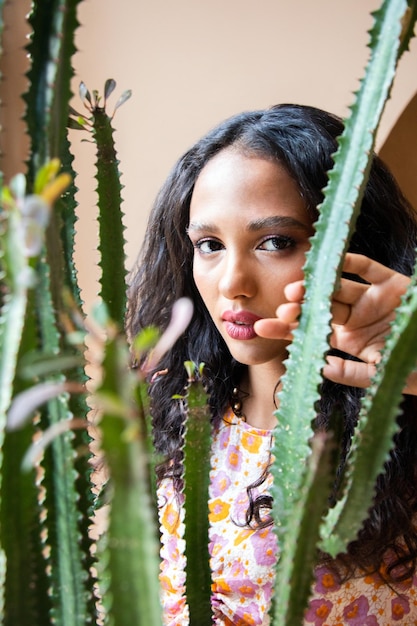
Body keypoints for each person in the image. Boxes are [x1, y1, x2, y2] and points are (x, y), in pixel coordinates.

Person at [126, 104, 417, 625]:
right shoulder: (175, 413)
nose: (233, 282)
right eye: (209, 245)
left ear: (352, 245)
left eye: (276, 242)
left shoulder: (401, 425)